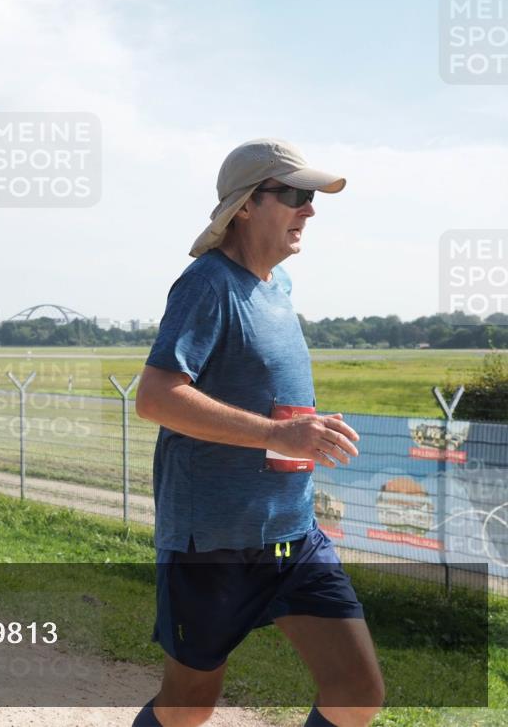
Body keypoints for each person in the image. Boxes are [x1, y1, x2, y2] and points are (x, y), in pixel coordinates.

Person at [132, 139, 385, 727]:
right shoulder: (208, 284)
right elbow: (156, 396)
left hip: (293, 535)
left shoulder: (279, 288)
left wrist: (309, 430)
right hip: (214, 542)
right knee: (187, 706)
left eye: (311, 197)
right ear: (246, 205)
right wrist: (284, 435)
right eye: (296, 195)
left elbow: (266, 399)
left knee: (356, 691)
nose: (310, 211)